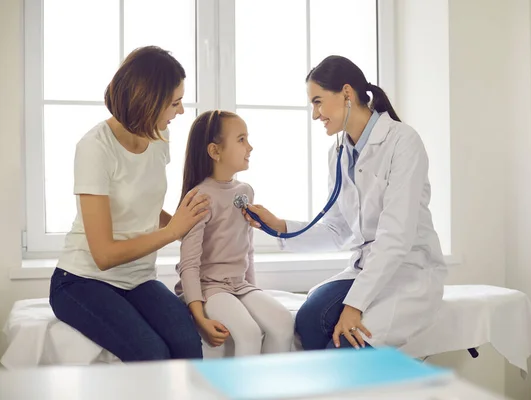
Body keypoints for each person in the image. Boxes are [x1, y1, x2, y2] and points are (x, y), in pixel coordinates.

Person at [244, 55, 448, 351]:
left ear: (347, 94)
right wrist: (281, 228)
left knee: (344, 346)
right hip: (367, 268)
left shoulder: (403, 142)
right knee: (310, 320)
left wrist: (354, 306)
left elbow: (395, 238)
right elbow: (338, 229)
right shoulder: (339, 154)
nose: (315, 114)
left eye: (318, 101)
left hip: (409, 270)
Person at [49, 46, 208, 362]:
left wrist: (185, 221)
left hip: (138, 279)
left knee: (188, 345)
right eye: (175, 103)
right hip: (82, 282)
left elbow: (144, 208)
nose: (180, 112)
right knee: (152, 353)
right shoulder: (95, 148)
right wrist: (173, 230)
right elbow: (104, 255)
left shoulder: (158, 136)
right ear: (147, 102)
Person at [174, 110, 295, 357]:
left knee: (284, 323)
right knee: (248, 333)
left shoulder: (246, 192)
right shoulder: (199, 198)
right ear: (215, 151)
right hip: (211, 288)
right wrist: (198, 314)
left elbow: (247, 248)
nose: (249, 147)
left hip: (240, 285)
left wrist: (253, 292)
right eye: (241, 140)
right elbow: (189, 264)